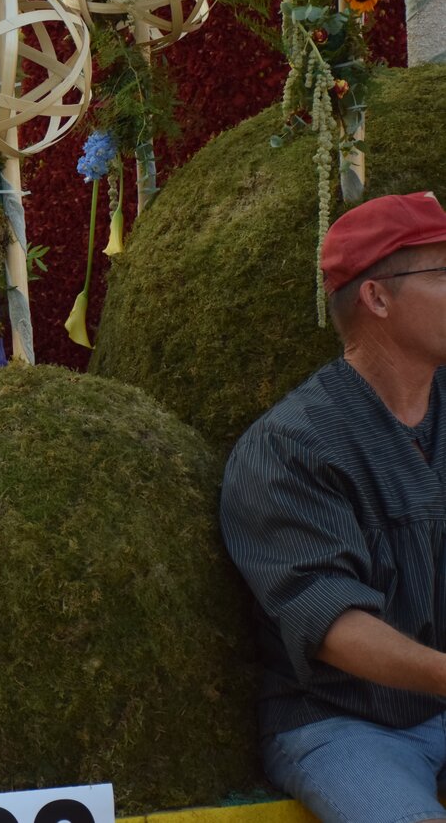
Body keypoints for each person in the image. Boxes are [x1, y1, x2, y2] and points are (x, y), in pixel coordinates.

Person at [220, 191, 446, 823]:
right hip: (342, 721)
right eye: (444, 272)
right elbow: (331, 623)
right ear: (377, 297)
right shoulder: (288, 448)